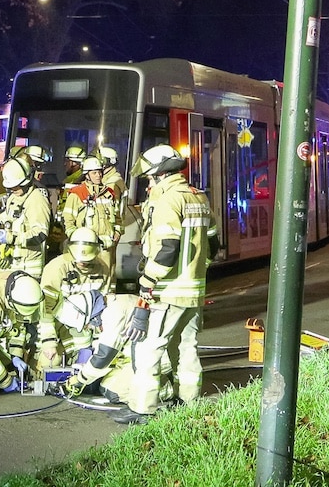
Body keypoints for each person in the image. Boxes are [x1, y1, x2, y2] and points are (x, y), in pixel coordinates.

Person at [110, 144, 219, 425]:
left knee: (150, 348)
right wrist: (198, 270)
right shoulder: (198, 197)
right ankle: (189, 400)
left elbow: (168, 248)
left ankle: (143, 407)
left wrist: (148, 280)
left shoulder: (168, 200)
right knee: (187, 346)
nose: (148, 183)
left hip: (169, 290)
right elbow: (214, 241)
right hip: (194, 290)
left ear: (159, 174)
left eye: (149, 177)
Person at [34, 227, 109, 374]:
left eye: (86, 259)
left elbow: (103, 307)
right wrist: (49, 342)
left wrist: (99, 342)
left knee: (90, 368)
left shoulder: (102, 269)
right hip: (56, 324)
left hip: (84, 329)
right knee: (49, 364)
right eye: (79, 259)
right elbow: (46, 308)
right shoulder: (56, 268)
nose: (82, 263)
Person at [60, 156, 123, 282]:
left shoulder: (109, 193)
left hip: (106, 247)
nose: (98, 175)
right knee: (85, 281)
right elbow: (68, 220)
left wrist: (117, 231)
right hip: (85, 248)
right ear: (86, 175)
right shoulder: (77, 193)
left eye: (100, 172)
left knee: (107, 281)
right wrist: (76, 239)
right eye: (94, 173)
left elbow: (117, 217)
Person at [0, 156, 50, 278]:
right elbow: (8, 216)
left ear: (26, 181)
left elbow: (40, 234)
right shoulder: (13, 197)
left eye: (16, 186)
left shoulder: (37, 200)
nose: (13, 189)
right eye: (10, 187)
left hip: (28, 269)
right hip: (11, 263)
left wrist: (11, 239)